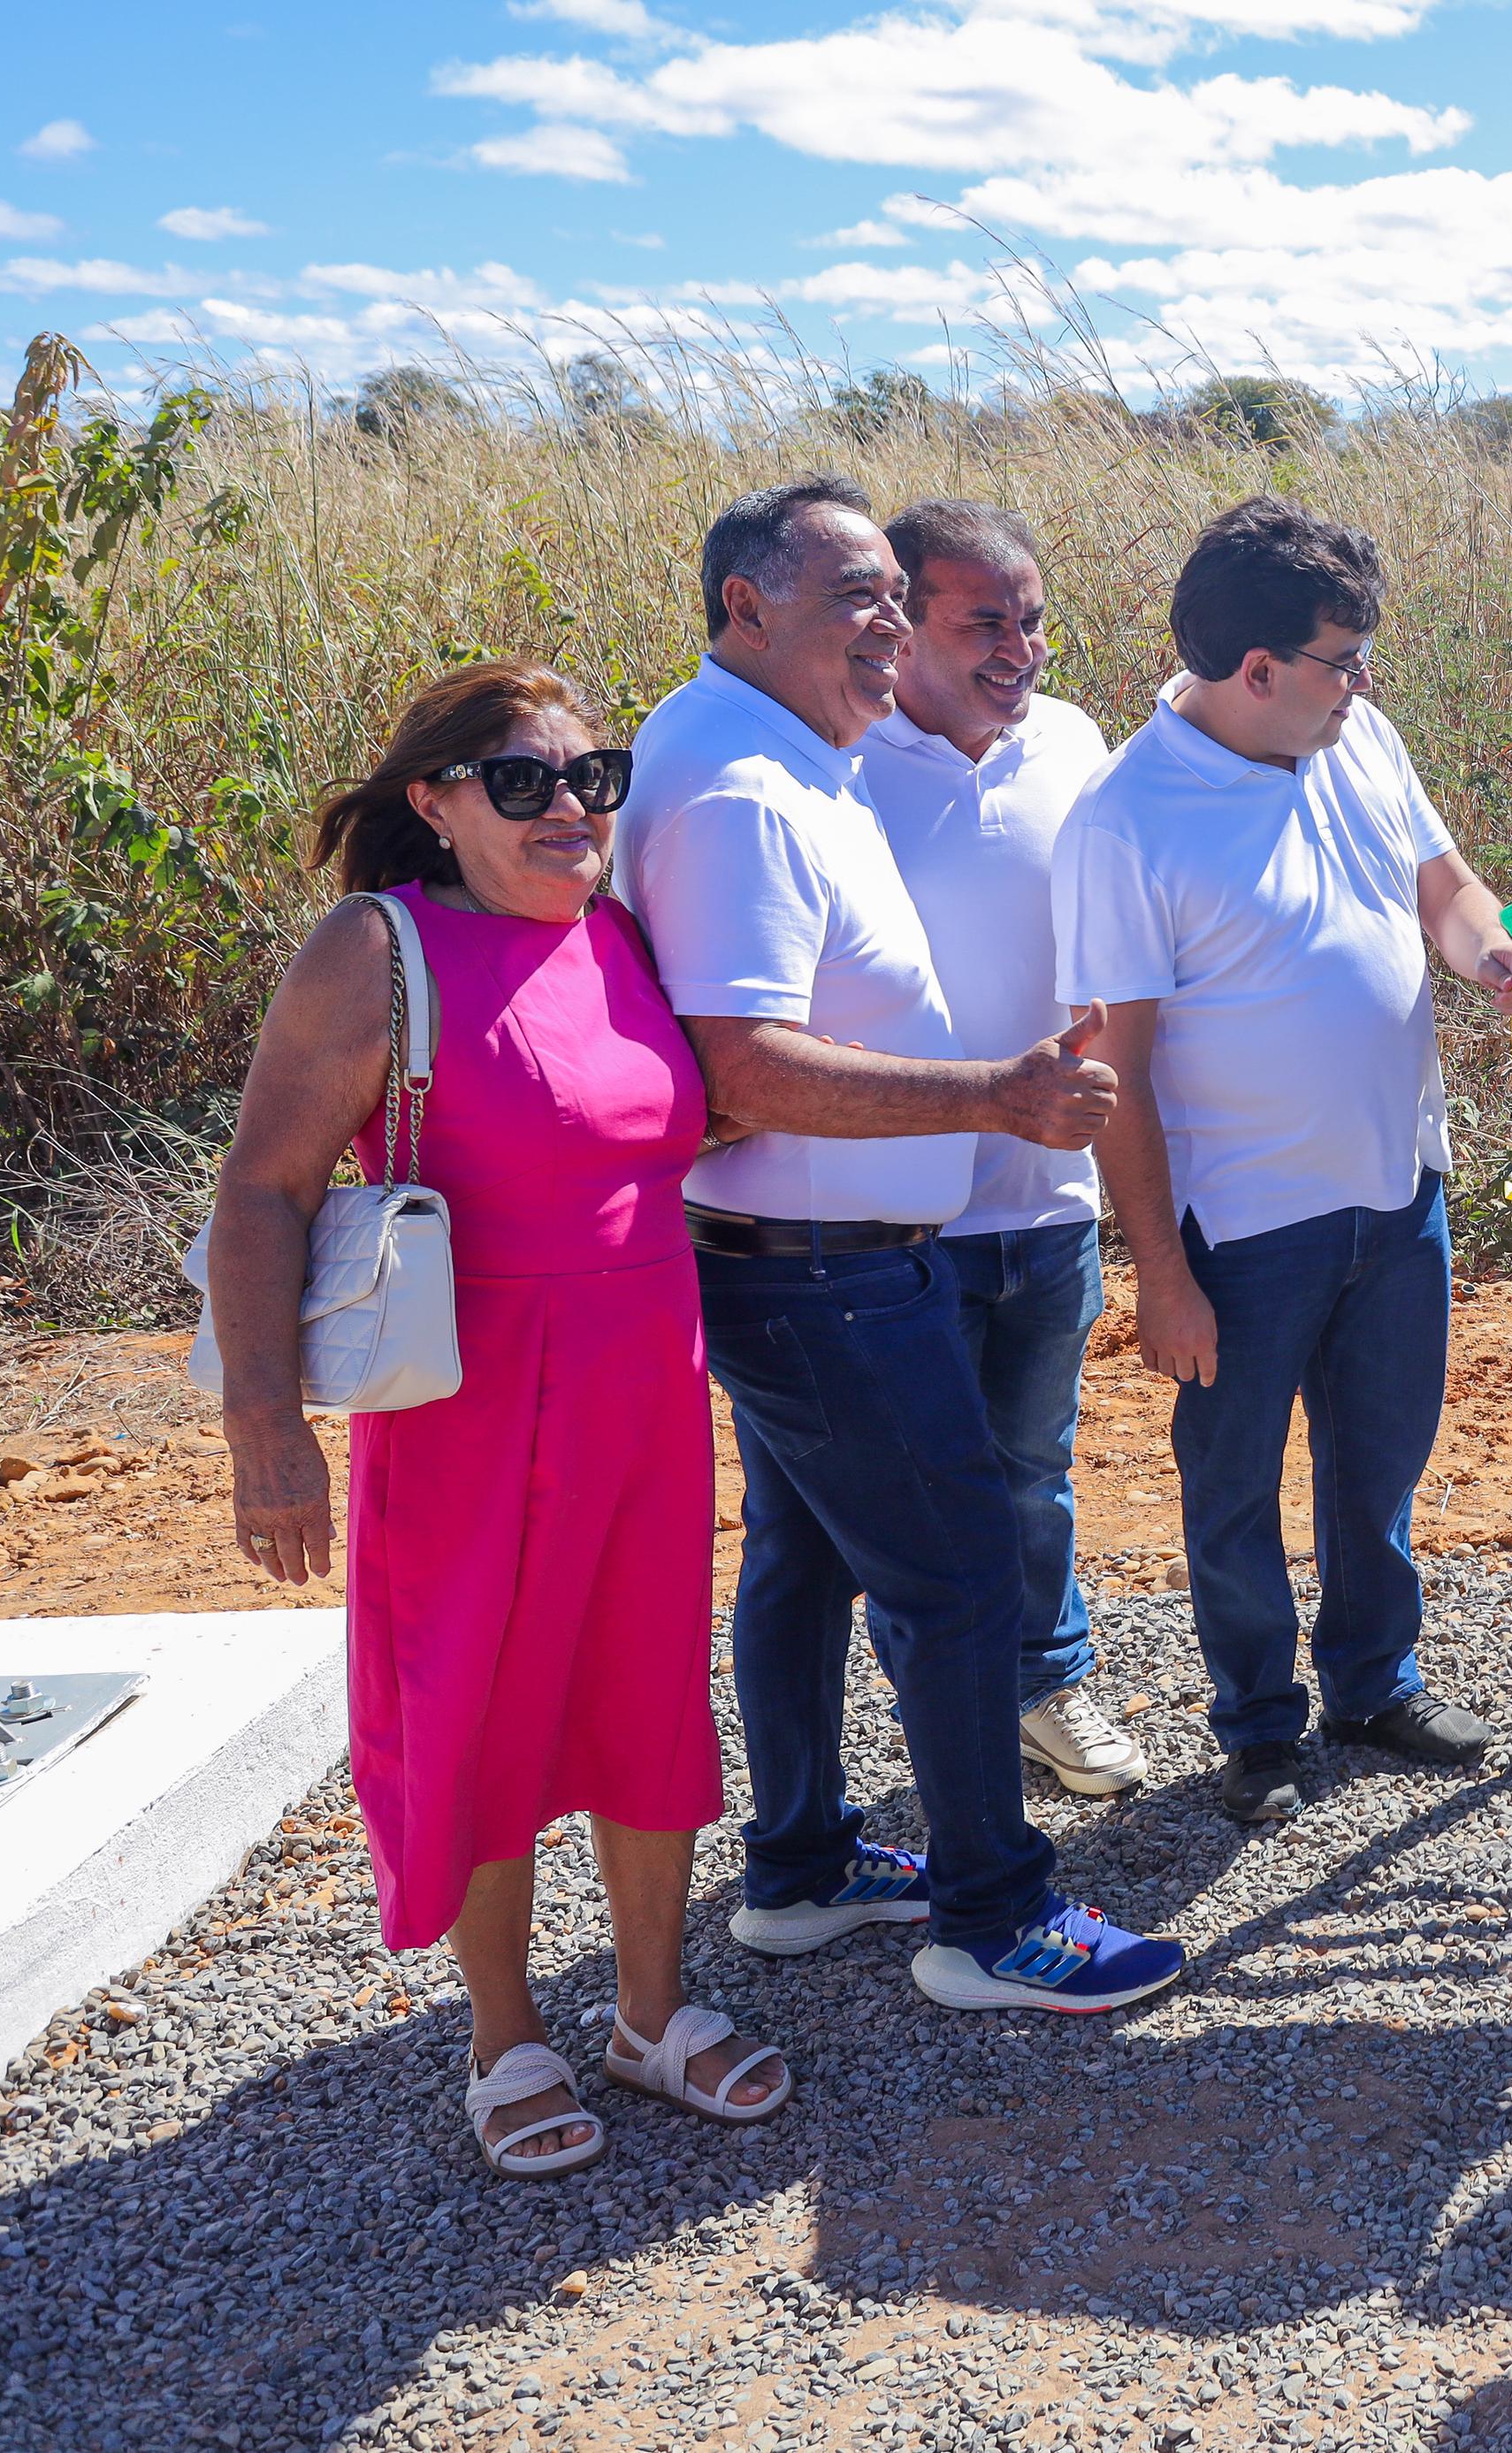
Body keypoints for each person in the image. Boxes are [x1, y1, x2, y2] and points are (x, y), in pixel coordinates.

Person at [620, 475, 1184, 2014]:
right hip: (823, 1267)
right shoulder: (744, 786)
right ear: (746, 603)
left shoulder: (783, 749)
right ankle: (992, 1918)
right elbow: (746, 1062)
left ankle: (800, 1866)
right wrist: (993, 1091)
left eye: (890, 595)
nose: (886, 625)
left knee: (802, 1562)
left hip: (806, 1251)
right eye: (856, 595)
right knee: (952, 1574)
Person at [214, 660, 786, 2173]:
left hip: (649, 1397)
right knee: (474, 1705)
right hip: (468, 1413)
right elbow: (263, 1190)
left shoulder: (623, 936)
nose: (570, 809)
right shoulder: (378, 947)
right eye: (523, 782)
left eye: (592, 776)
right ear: (437, 802)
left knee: (646, 1693)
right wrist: (264, 1428)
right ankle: (505, 2033)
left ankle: (653, 2013)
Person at [1057, 496, 1512, 1826]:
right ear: (1255, 667)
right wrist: (1159, 1268)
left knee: (1377, 1463)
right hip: (1243, 1226)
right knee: (1235, 1488)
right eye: (1342, 656)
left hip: (1398, 1190)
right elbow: (1119, 1073)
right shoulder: (1127, 819)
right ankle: (1260, 1727)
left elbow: (1446, 890)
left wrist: (1488, 951)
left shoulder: (1357, 735)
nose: (1365, 681)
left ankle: (1374, 1683)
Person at [856, 498, 1142, 1800]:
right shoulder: (837, 759)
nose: (1020, 649)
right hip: (893, 1215)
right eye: (986, 622)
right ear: (899, 621)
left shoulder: (1076, 743)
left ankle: (1045, 1688)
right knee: (914, 1500)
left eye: (1032, 620)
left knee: (1035, 1474)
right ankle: (949, 1729)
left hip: (1050, 1201)